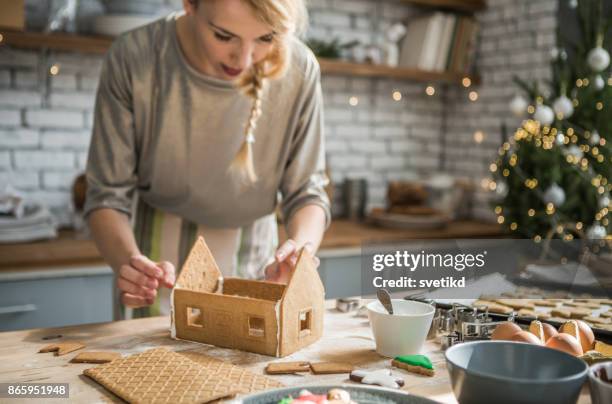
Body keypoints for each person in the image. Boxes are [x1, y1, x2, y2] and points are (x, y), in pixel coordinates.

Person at [84, 0, 330, 317]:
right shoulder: (135, 57)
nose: (243, 60)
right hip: (158, 265)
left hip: (255, 260)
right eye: (223, 36)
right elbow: (106, 194)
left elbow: (307, 191)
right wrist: (129, 265)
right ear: (190, 5)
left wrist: (301, 250)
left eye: (266, 39)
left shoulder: (301, 70)